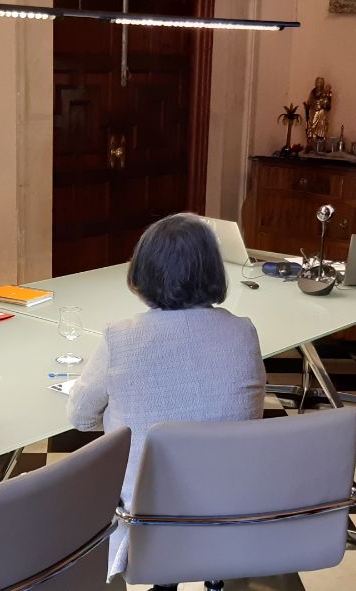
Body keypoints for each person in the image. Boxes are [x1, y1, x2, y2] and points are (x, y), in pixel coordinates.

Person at [66, 213, 265, 583]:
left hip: (146, 514)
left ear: (141, 272)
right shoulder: (243, 333)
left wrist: (120, 416)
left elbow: (79, 418)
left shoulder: (120, 337)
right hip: (232, 502)